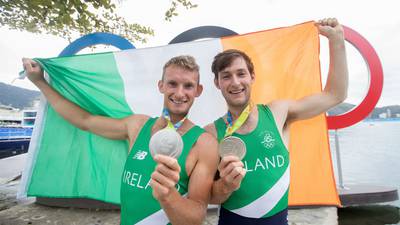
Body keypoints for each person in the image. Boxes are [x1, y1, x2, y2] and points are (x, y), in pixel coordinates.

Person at [22, 55, 219, 225]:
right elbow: (85, 121)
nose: (179, 93)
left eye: (188, 86)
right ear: (161, 86)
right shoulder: (137, 126)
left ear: (198, 90)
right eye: (172, 84)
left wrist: (169, 196)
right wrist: (40, 82)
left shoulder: (204, 143)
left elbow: (196, 218)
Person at [205, 18, 348, 225]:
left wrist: (337, 41)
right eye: (226, 76)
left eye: (241, 73)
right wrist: (225, 186)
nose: (235, 82)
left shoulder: (278, 113)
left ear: (252, 76)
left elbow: (335, 95)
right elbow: (208, 196)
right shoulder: (211, 133)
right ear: (217, 83)